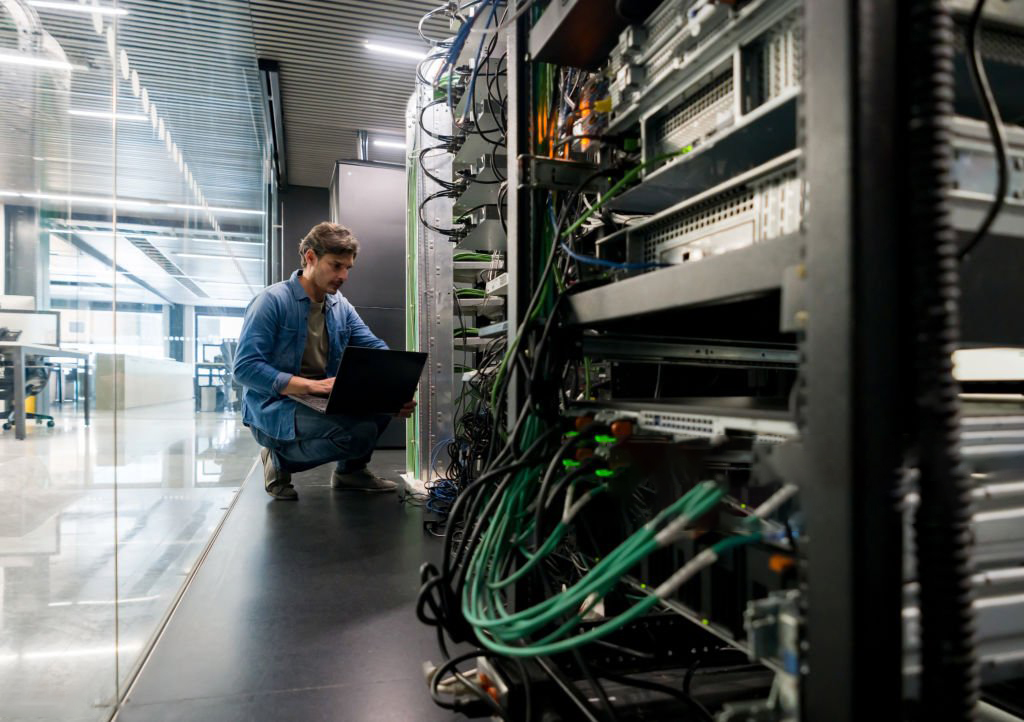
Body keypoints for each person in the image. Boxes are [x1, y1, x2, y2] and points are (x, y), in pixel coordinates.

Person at [233, 222, 416, 500]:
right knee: (357, 434)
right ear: (310, 257)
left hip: (318, 399)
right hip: (275, 405)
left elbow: (375, 349)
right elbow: (244, 368)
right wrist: (311, 386)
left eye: (348, 268)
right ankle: (278, 459)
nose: (343, 275)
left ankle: (350, 472)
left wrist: (393, 391)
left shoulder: (340, 306)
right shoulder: (271, 301)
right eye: (336, 266)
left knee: (380, 410)